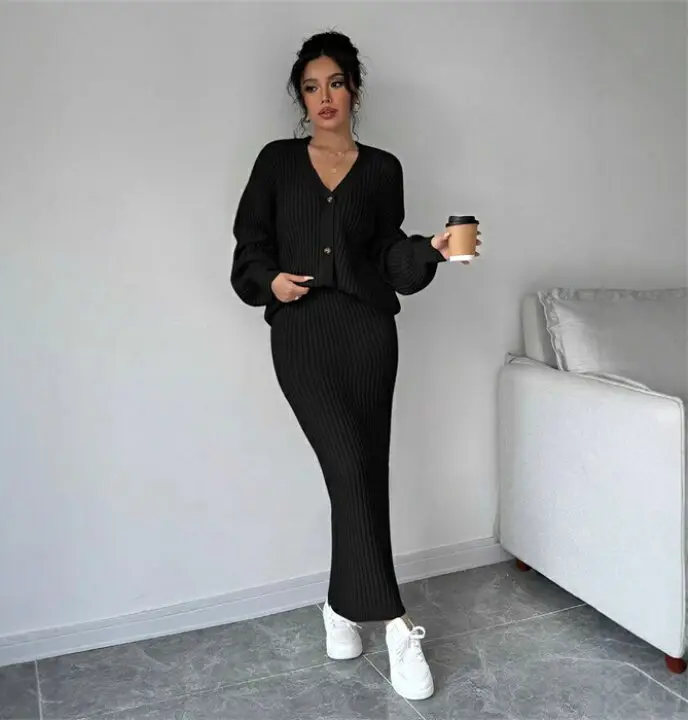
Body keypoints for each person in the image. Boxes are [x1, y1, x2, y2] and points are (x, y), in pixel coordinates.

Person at [230, 31, 480, 701]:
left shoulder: (382, 169)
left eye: (335, 83)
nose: (324, 98)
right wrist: (269, 281)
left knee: (365, 470)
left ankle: (340, 610)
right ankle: (395, 625)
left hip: (369, 335)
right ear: (301, 97)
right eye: (311, 87)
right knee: (347, 465)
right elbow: (249, 243)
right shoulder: (277, 162)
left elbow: (386, 258)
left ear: (354, 90)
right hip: (303, 335)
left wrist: (431, 249)